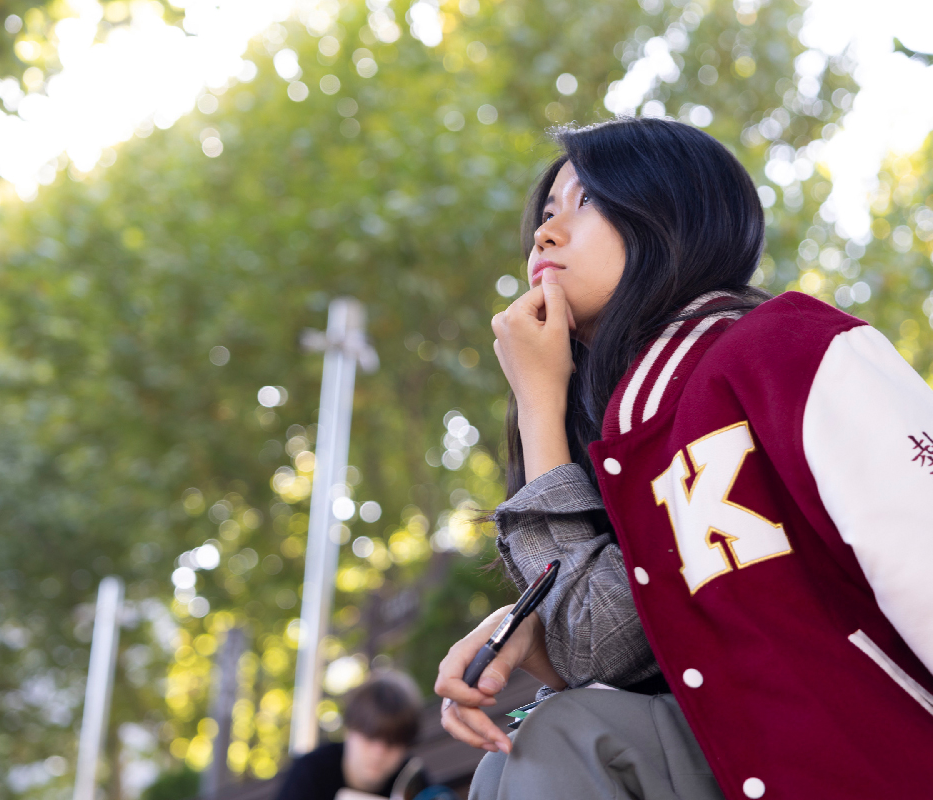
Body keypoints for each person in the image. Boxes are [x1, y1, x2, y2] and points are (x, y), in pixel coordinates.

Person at [434, 117, 933, 800]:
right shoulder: (628, 427)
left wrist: (540, 404)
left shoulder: (787, 348)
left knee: (562, 741)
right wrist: (539, 407)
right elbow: (595, 641)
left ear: (672, 213)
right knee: (520, 756)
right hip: (752, 761)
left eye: (586, 202)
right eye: (545, 215)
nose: (545, 234)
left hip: (878, 760)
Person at [276, 671, 426, 800]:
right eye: (370, 737)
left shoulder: (413, 783)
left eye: (392, 742)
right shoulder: (310, 773)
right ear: (348, 730)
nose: (378, 752)